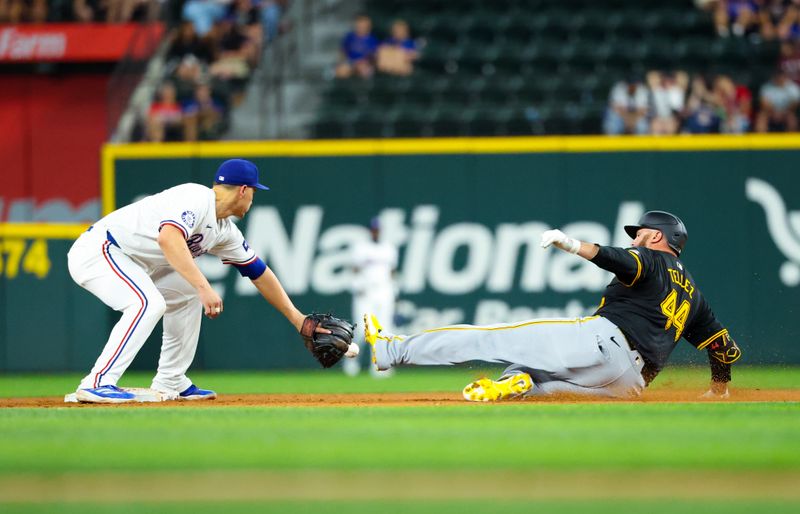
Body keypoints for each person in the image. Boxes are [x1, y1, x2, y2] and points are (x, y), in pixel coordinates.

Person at [363, 211, 741, 402]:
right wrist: (719, 390)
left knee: (491, 339)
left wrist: (573, 245)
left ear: (657, 235)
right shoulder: (693, 294)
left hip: (602, 339)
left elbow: (621, 260)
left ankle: (389, 348)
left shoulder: (650, 258)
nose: (636, 237)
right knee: (540, 388)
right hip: (630, 385)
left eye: (640, 233)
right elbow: (723, 348)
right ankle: (519, 382)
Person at [67, 159, 327, 403]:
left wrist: (297, 318)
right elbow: (169, 239)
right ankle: (97, 381)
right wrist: (205, 287)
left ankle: (170, 380)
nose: (253, 199)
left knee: (186, 293)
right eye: (254, 192)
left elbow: (259, 272)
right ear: (243, 190)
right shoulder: (196, 197)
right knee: (147, 303)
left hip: (132, 261)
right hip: (100, 250)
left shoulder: (224, 230)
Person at [344, 217, 398, 377]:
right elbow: (355, 270)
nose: (376, 232)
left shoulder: (389, 248)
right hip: (366, 292)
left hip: (384, 291)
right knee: (361, 330)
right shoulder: (361, 248)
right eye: (373, 229)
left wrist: (394, 291)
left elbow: (392, 272)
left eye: (378, 229)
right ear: (370, 231)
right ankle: (351, 362)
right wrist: (356, 286)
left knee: (384, 329)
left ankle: (380, 366)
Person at [336, 14, 379, 79]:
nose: (361, 27)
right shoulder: (349, 37)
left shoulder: (372, 40)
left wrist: (365, 63)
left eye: (363, 25)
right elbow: (343, 52)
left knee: (366, 71)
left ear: (368, 26)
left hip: (365, 64)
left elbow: (374, 56)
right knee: (341, 70)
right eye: (359, 25)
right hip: (351, 62)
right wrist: (342, 63)